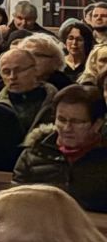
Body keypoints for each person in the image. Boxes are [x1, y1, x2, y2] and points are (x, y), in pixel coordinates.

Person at [12, 84, 107, 212]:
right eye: (61, 120)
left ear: (97, 124)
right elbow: (15, 203)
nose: (67, 128)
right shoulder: (34, 154)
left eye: (77, 122)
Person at [0, 44, 55, 134]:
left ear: (35, 70)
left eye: (18, 70)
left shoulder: (57, 102)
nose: (12, 77)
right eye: (6, 72)